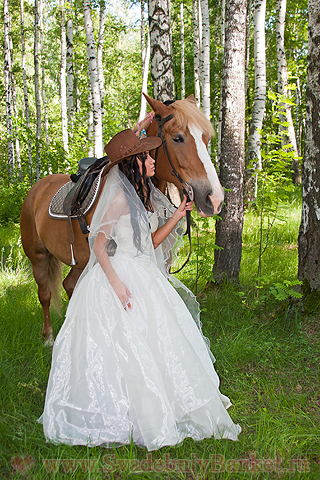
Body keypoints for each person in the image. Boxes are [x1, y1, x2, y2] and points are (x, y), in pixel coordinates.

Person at [38, 129, 241, 451]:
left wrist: (176, 216)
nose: (151, 161)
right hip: (120, 273)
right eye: (145, 157)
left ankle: (159, 401)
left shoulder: (140, 196)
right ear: (132, 163)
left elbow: (150, 243)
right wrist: (116, 284)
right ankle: (124, 410)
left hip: (143, 272)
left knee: (157, 340)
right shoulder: (119, 199)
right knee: (122, 345)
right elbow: (99, 246)